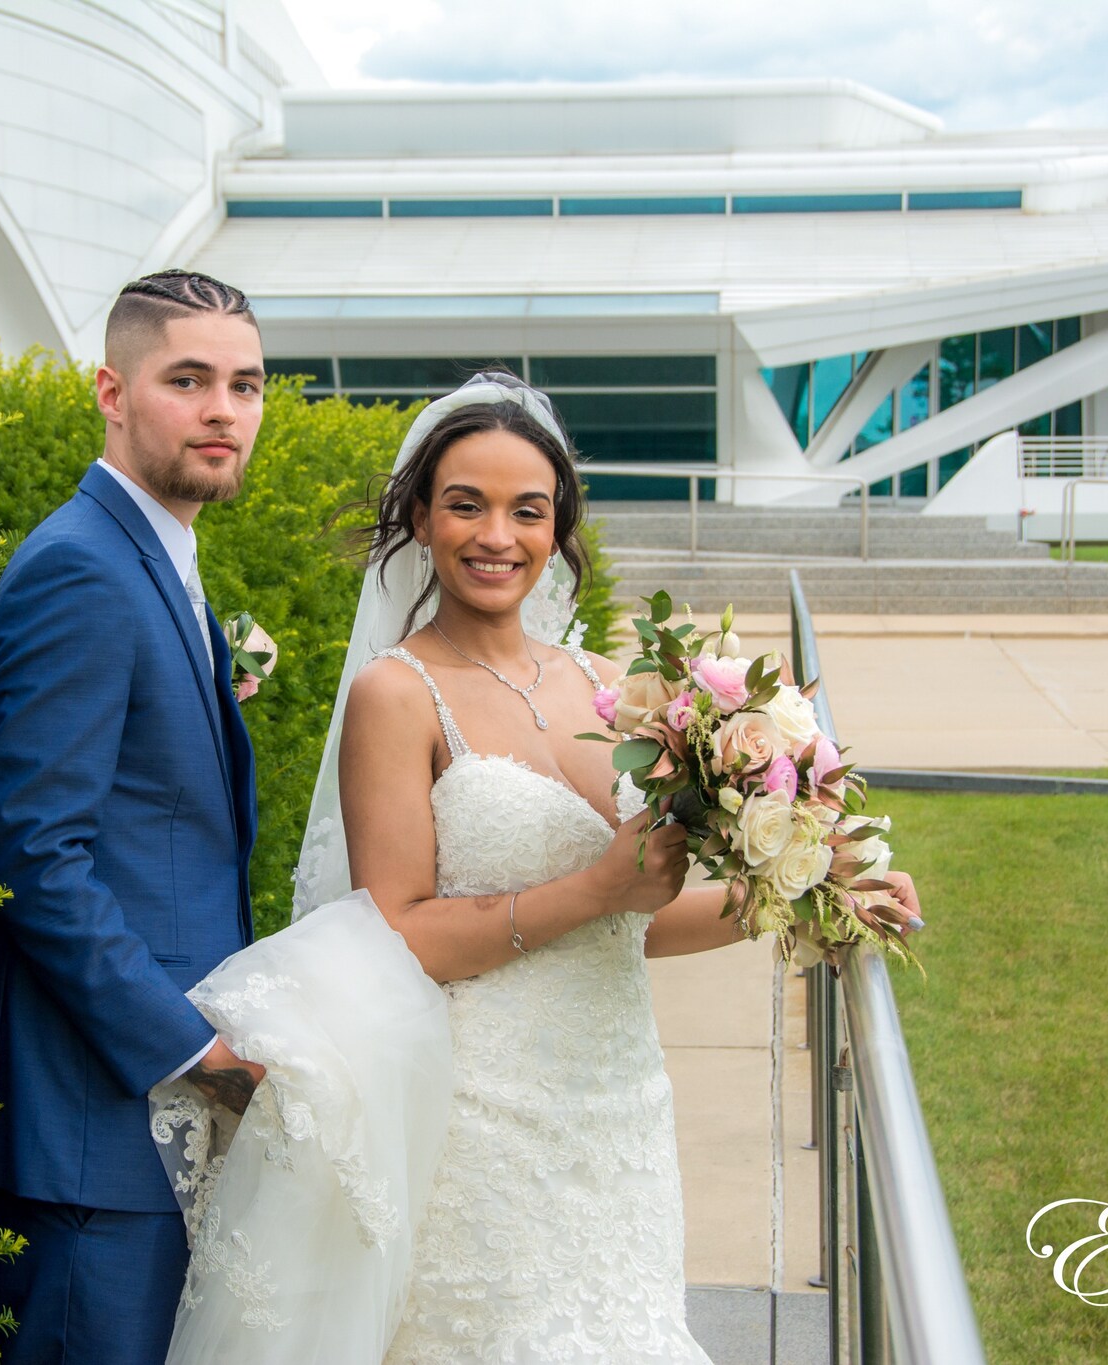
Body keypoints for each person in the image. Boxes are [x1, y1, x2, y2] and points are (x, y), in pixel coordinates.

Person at [150, 372, 923, 1362]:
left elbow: (631, 918)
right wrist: (594, 887)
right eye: (464, 505)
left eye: (527, 511)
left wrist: (810, 895)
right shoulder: (398, 694)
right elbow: (398, 934)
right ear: (421, 519)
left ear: (558, 529)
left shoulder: (612, 691)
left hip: (617, 1104)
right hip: (480, 1111)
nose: (495, 536)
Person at [0, 269, 270, 1365]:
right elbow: (35, 855)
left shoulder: (160, 560)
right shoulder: (80, 570)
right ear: (111, 390)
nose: (221, 409)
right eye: (187, 380)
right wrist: (193, 1051)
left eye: (244, 383)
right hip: (93, 1126)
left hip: (141, 1128)